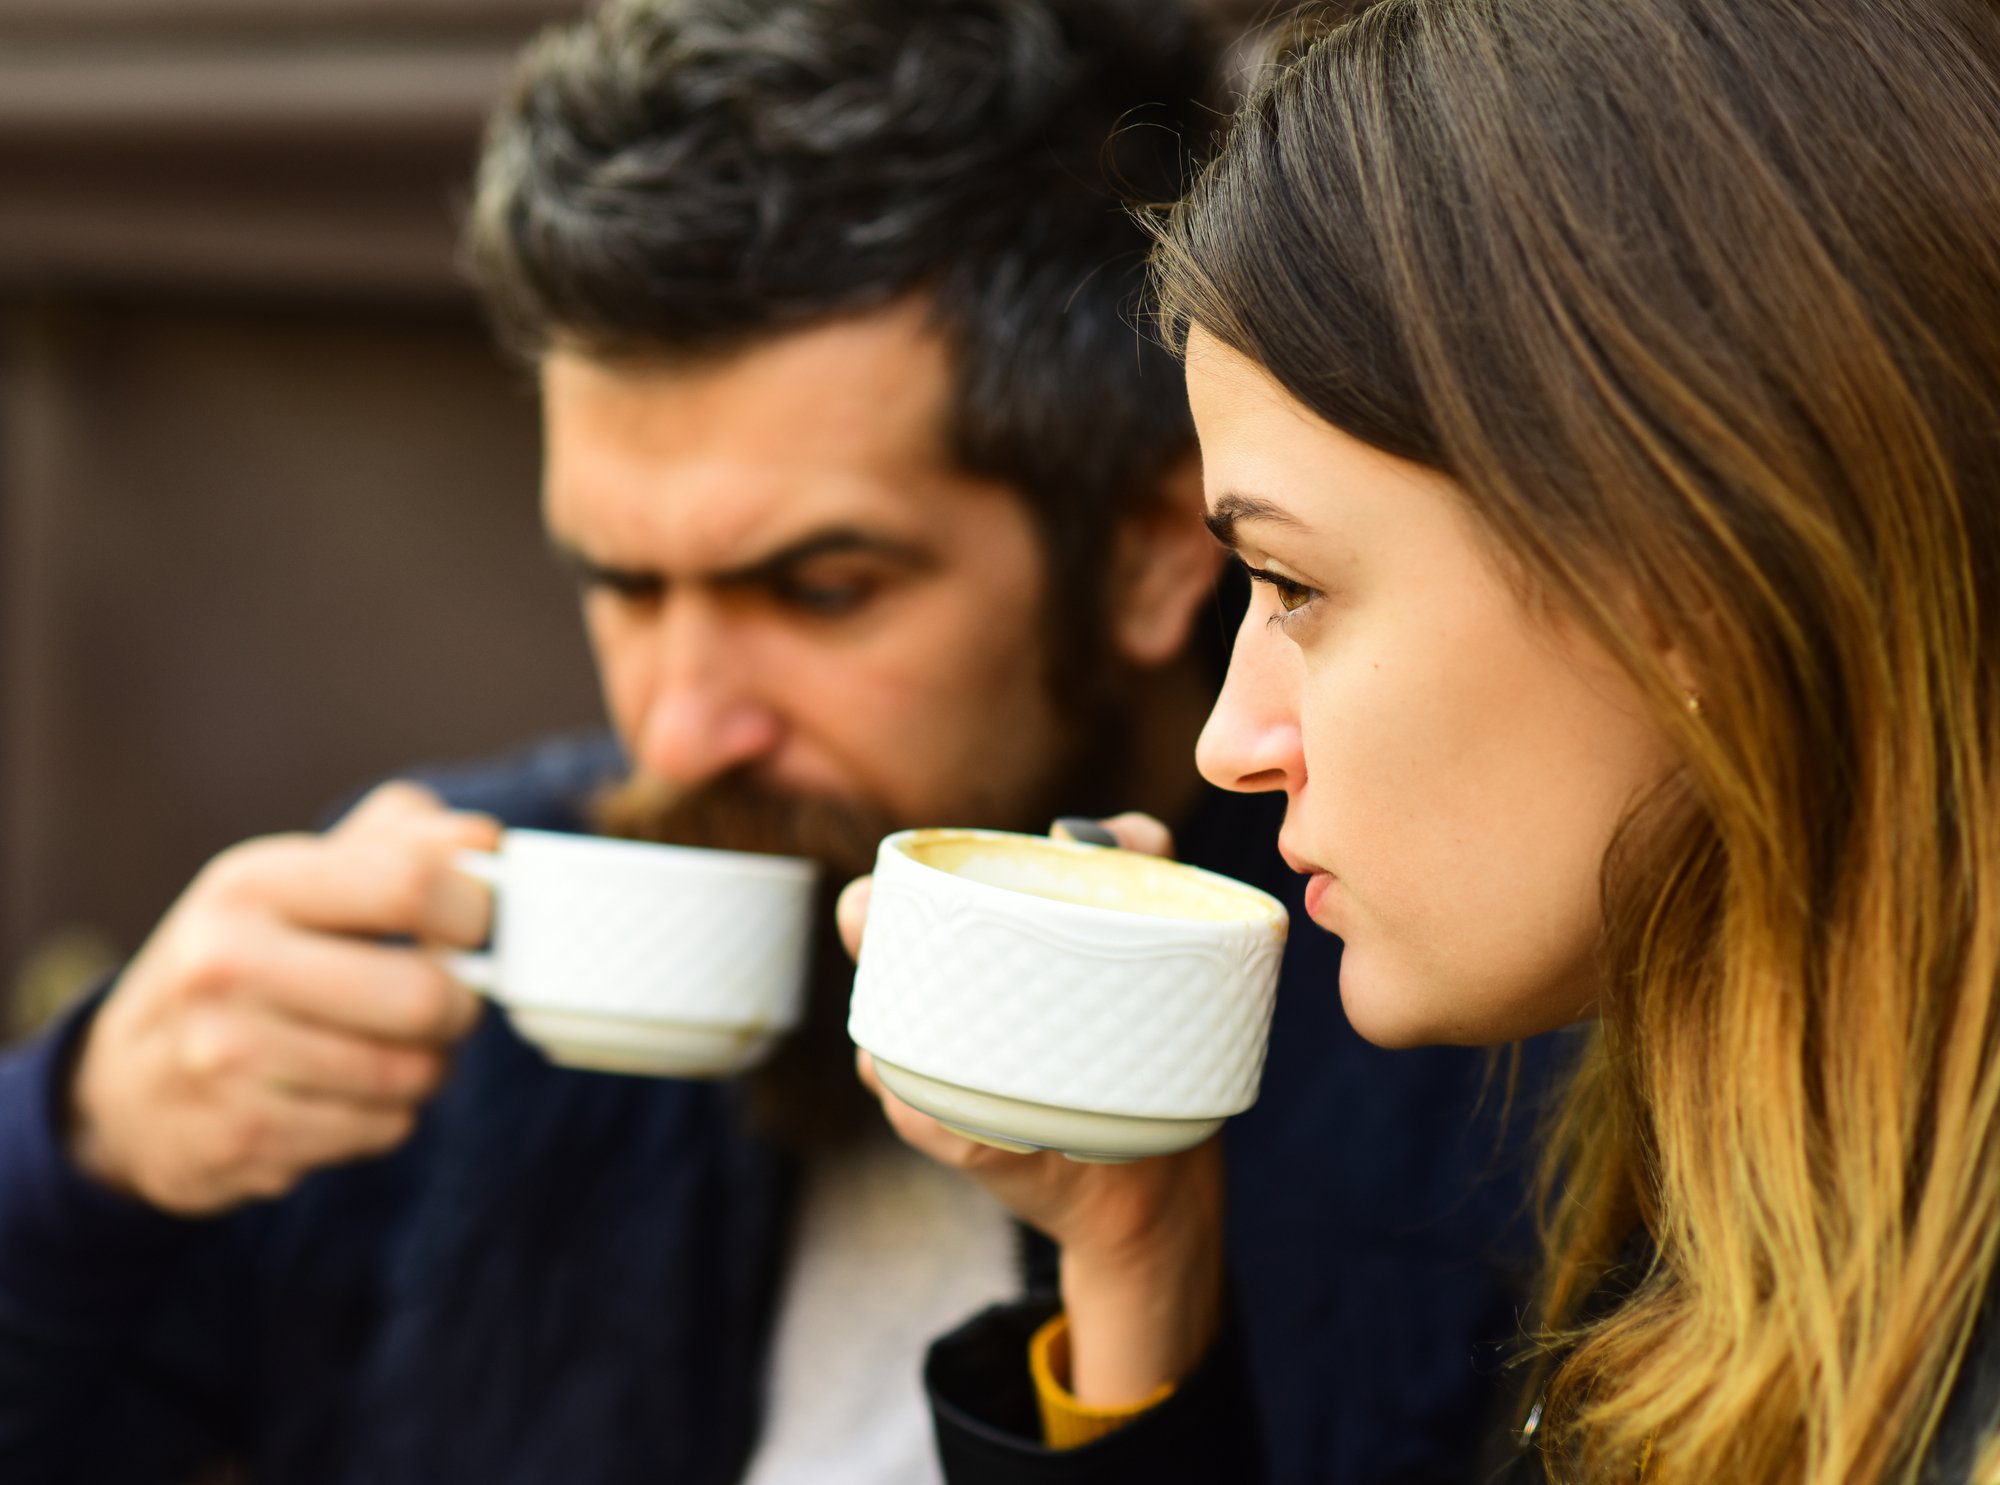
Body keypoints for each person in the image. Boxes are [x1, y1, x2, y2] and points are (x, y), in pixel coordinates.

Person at [0, 2, 1547, 1482]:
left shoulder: (1473, 1046)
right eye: (621, 583)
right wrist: (84, 1153)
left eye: (819, 590)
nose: (679, 721)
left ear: (1155, 546)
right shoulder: (430, 988)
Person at [855, 0, 2000, 1480]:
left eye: (1294, 586)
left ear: (1703, 578)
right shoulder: (1726, 1220)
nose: (1231, 740)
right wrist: (1136, 1270)